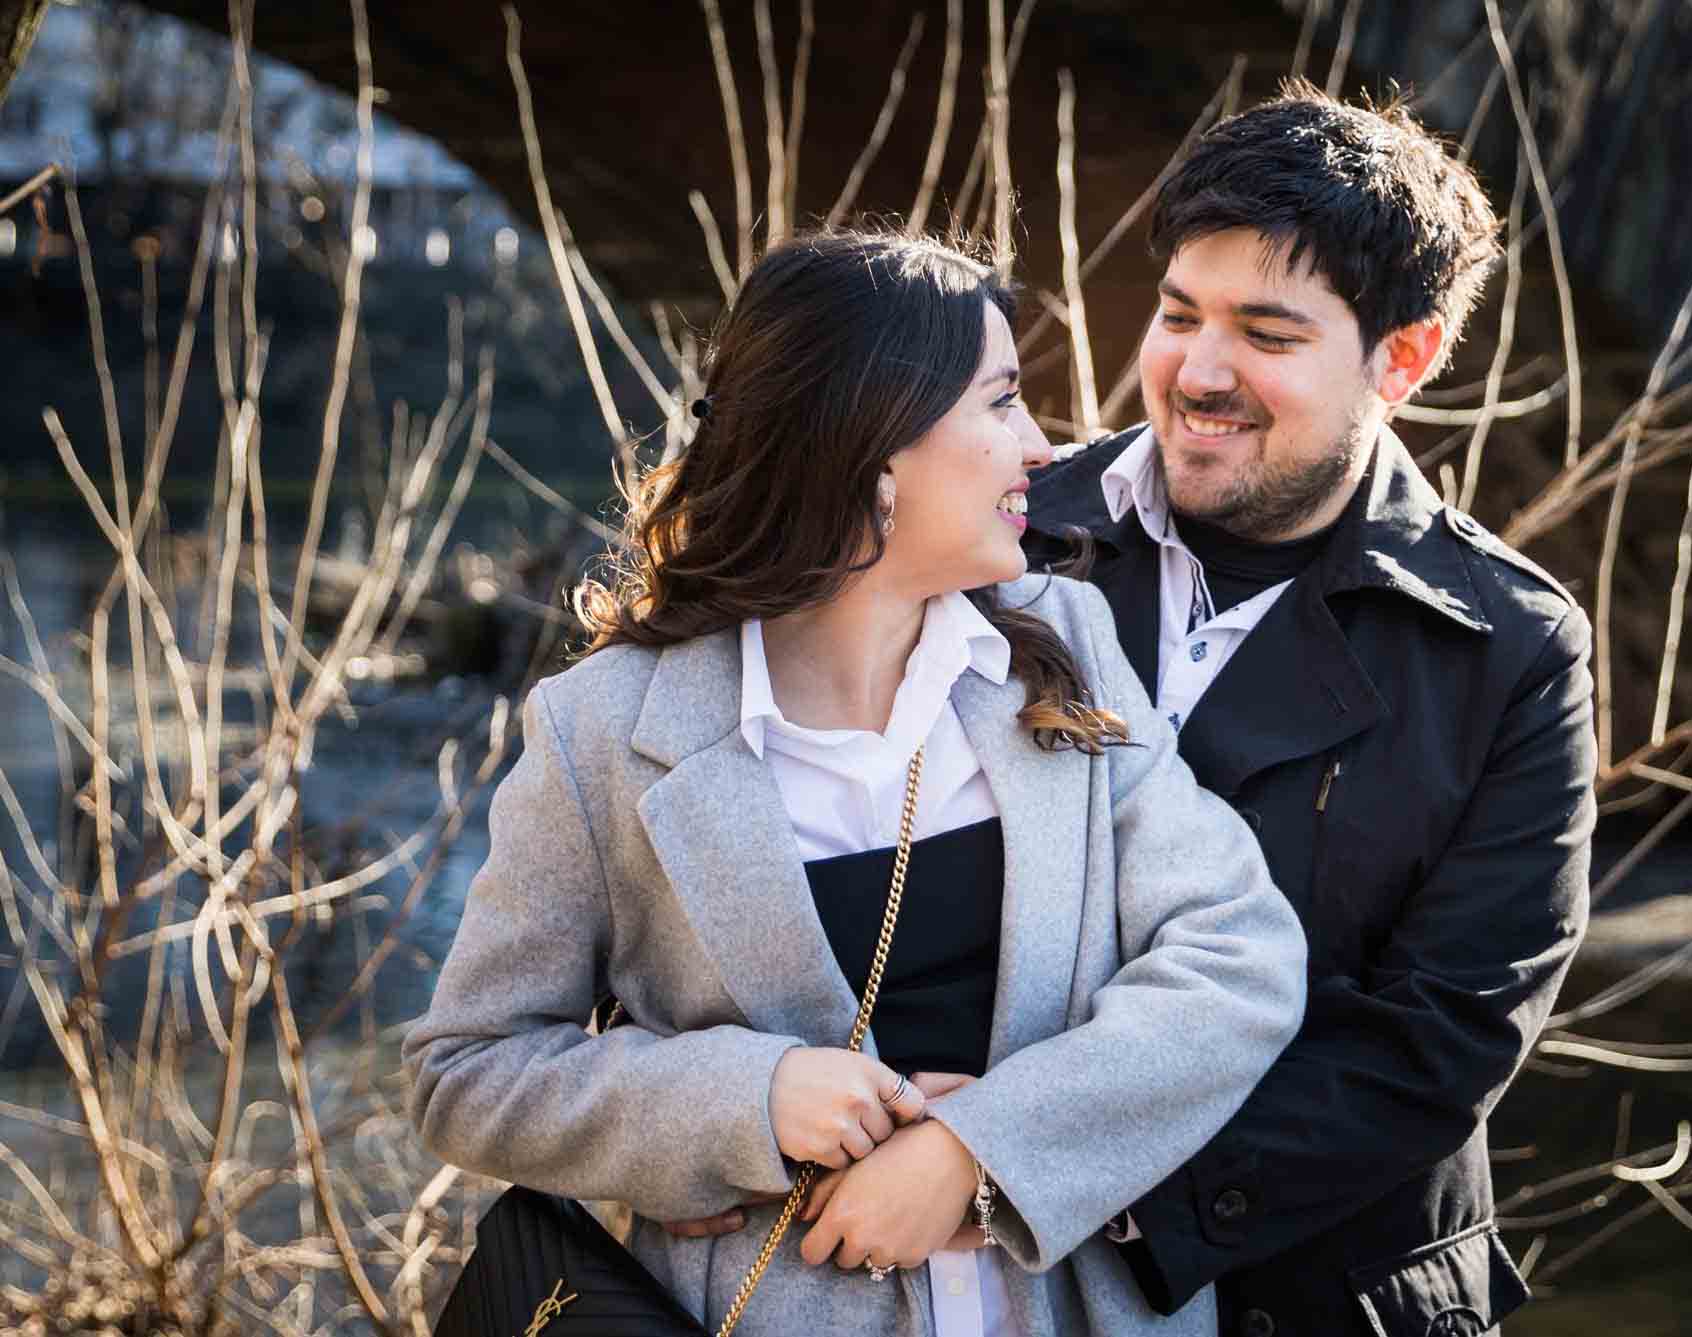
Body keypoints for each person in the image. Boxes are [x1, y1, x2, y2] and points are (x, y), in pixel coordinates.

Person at [401, 230, 1307, 1337]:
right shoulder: (603, 729)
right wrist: (742, 1098)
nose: (1037, 442)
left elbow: (1238, 954)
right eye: (999, 400)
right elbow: (469, 1071)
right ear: (873, 451)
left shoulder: (1061, 644)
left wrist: (982, 1152)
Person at [1019, 86, 1596, 1336]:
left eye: (1267, 335)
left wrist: (1039, 1177)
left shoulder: (1512, 648)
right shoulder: (1000, 535)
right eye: (1178, 315)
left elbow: (1438, 1035)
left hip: (1308, 1289)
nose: (1197, 371)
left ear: (1404, 358)